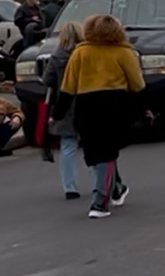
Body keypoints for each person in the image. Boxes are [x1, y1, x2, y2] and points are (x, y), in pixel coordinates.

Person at [59, 13, 144, 219]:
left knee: (99, 153)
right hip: (115, 105)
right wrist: (142, 108)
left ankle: (101, 200)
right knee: (106, 152)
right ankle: (116, 189)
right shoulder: (124, 52)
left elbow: (68, 86)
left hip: (86, 106)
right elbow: (137, 84)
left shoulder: (80, 53)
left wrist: (57, 113)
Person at [43, 20, 84, 200]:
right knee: (92, 144)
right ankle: (100, 182)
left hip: (64, 103)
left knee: (67, 146)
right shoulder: (85, 54)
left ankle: (70, 186)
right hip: (85, 100)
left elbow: (47, 80)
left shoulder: (57, 56)